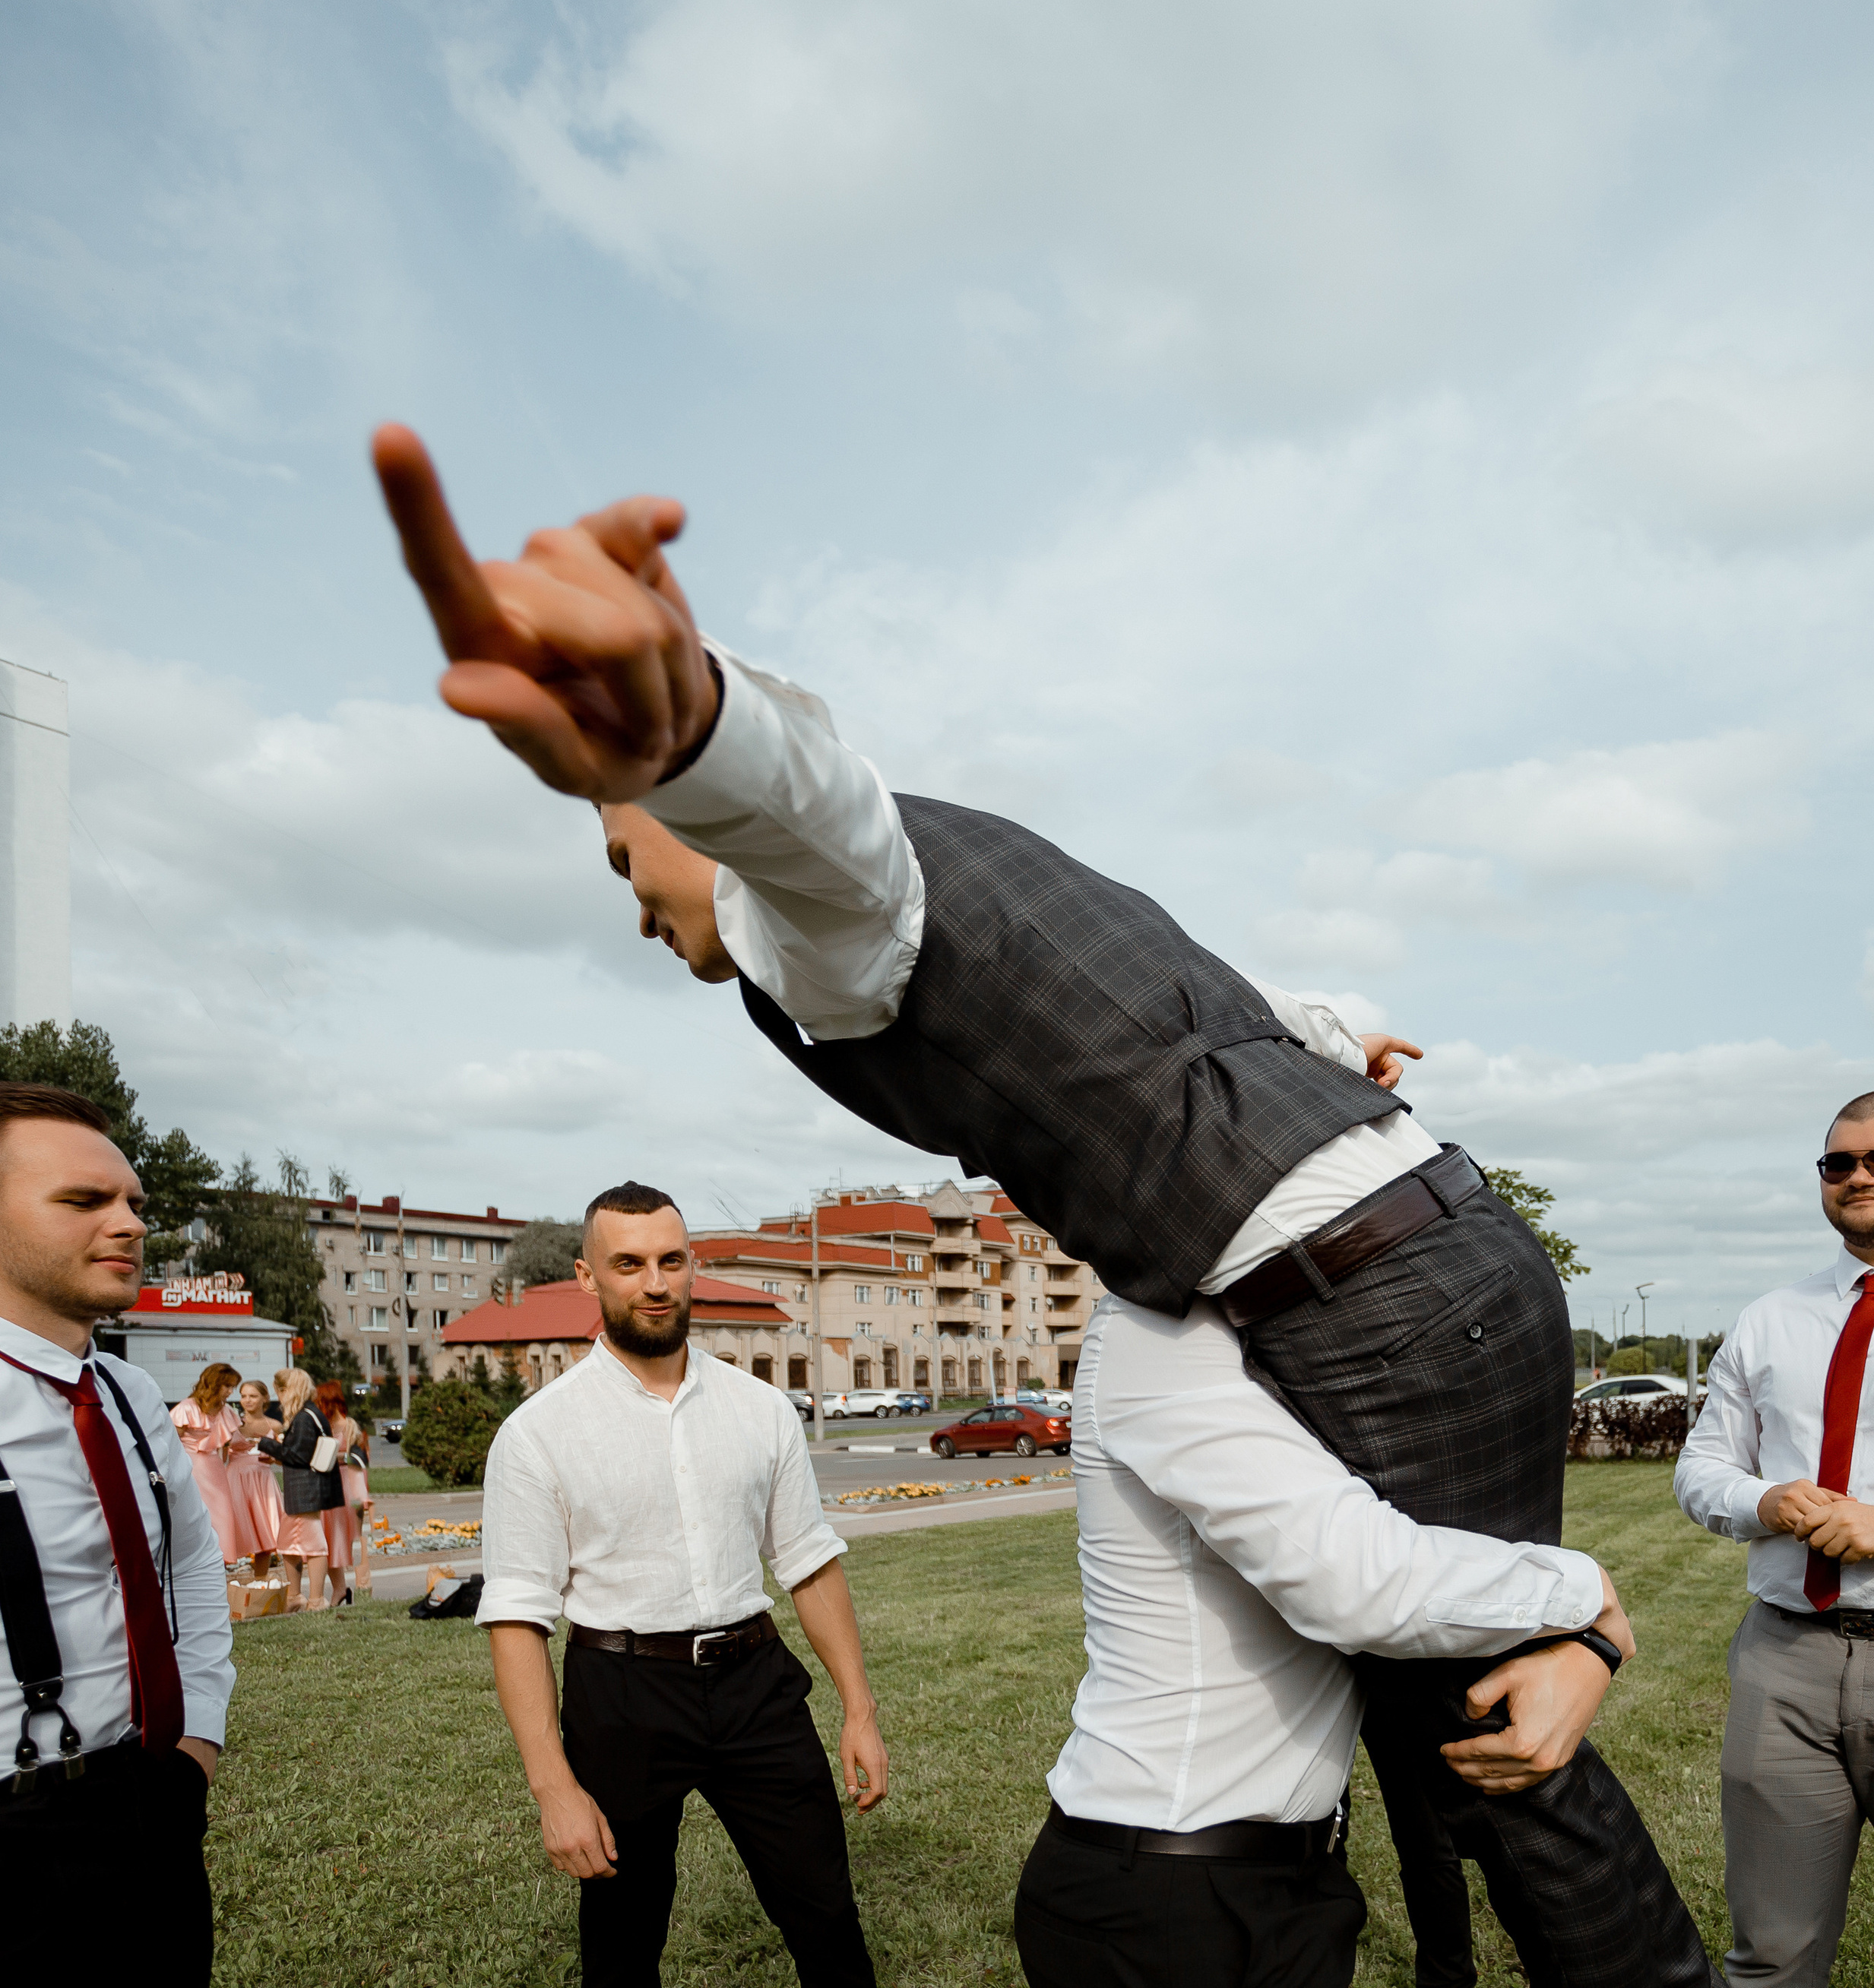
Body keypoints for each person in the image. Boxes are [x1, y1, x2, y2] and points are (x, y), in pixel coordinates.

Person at [372, 429, 1713, 1987]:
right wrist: (1336, 1031)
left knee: (1500, 1735)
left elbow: (824, 826)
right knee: (1442, 1718)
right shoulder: (1022, 878)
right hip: (1441, 1233)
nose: (632, 902)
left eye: (625, 856)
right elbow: (1191, 986)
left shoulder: (822, 925)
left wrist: (696, 744)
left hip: (1354, 1289)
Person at [1016, 1292, 1635, 1988]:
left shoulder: (1279, 1328)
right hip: (1164, 1895)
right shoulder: (1153, 1331)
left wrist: (1584, 1651)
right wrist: (1587, 1593)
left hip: (1287, 1879)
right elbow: (1356, 1580)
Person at [477, 1181, 885, 1988]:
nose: (655, 1282)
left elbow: (808, 1561)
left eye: (671, 1259)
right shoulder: (537, 1434)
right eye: (628, 1263)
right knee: (623, 1946)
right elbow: (517, 1618)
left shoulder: (761, 1409)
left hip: (755, 1684)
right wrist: (554, 1787)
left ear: (693, 1264)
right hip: (621, 1694)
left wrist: (859, 1710)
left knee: (828, 1920)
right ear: (588, 1276)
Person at [1676, 1088, 1874, 1988]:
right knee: (1769, 1957)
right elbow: (1700, 1468)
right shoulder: (1769, 1317)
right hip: (1783, 1659)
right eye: (1838, 1162)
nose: (1859, 1176)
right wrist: (1764, 1499)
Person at [0, 1084, 233, 1981]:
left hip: (153, 1799)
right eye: (84, 1199)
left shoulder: (130, 1395)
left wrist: (195, 1739)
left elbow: (194, 1566)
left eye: (134, 1200)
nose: (130, 1222)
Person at [257, 1367, 346, 1611]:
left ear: (288, 1390)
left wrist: (265, 1443)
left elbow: (297, 1455)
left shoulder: (304, 1417)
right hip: (308, 1489)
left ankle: (315, 1600)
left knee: (314, 1546)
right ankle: (295, 1595)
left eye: (279, 1391)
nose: (278, 1397)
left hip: (305, 1491)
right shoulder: (311, 1413)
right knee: (288, 1543)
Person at [171, 1363, 245, 1568]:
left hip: (215, 1467)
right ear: (214, 1384)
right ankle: (195, 1561)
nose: (230, 1392)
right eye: (227, 1386)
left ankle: (221, 1559)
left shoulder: (226, 1411)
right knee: (196, 1512)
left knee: (222, 1513)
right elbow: (171, 1442)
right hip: (191, 1466)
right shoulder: (187, 1407)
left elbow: (231, 1442)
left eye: (232, 1387)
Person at [315, 1378, 369, 1602]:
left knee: (336, 1538)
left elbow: (361, 1460)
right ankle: (341, 1589)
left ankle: (350, 1588)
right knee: (326, 1539)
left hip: (344, 1485)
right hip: (328, 1484)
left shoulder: (350, 1427)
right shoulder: (321, 1426)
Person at [228, 1377, 285, 1579]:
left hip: (263, 1481)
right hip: (237, 1480)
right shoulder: (233, 1423)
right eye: (243, 1396)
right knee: (234, 1531)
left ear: (265, 1398)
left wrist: (273, 1458)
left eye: (253, 1396)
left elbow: (283, 1458)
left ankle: (259, 1582)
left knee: (265, 1534)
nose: (247, 1400)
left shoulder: (275, 1425)